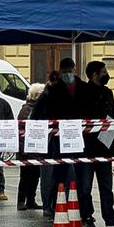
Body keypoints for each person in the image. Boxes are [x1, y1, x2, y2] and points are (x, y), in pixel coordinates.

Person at [81, 61, 114, 227]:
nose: (106, 74)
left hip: (106, 147)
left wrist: (113, 135)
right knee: (85, 186)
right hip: (87, 148)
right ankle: (86, 216)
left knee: (106, 187)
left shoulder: (107, 92)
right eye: (103, 72)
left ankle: (110, 218)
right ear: (95, 74)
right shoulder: (83, 93)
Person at [31, 58, 85, 217]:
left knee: (77, 175)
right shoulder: (53, 90)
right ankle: (54, 206)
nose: (68, 74)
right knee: (57, 175)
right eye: (65, 71)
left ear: (74, 70)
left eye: (70, 71)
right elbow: (40, 114)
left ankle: (76, 207)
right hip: (57, 139)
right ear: (61, 72)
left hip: (78, 137)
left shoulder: (82, 88)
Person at [16, 83, 45, 211]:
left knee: (35, 175)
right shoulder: (27, 109)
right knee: (25, 176)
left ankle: (31, 200)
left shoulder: (40, 108)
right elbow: (22, 129)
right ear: (35, 95)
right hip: (27, 149)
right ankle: (21, 201)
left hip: (37, 147)